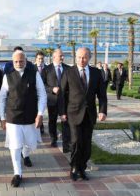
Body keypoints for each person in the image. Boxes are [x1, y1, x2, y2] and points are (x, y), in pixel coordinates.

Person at [0, 50, 47, 187]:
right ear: (12, 62)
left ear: (26, 61)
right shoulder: (7, 76)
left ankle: (26, 155)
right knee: (15, 146)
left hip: (30, 116)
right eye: (16, 61)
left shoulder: (34, 74)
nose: (19, 63)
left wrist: (40, 114)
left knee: (29, 143)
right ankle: (17, 173)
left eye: (21, 61)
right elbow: (2, 98)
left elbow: (42, 94)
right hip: (13, 116)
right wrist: (2, 117)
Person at [59, 47, 107, 181]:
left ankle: (82, 168)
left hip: (89, 114)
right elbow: (62, 94)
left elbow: (102, 95)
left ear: (89, 58)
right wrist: (62, 112)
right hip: (73, 113)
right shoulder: (69, 72)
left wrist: (103, 110)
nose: (81, 60)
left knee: (86, 143)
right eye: (79, 57)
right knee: (75, 142)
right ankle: (74, 167)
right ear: (76, 58)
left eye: (84, 57)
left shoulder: (96, 73)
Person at [42, 49, 71, 153]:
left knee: (66, 122)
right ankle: (53, 139)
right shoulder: (46, 69)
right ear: (54, 57)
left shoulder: (68, 69)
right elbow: (42, 85)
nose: (62, 57)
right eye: (60, 56)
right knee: (52, 121)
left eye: (63, 56)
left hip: (66, 100)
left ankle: (66, 144)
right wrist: (51, 89)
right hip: (53, 100)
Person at [34, 51, 47, 134]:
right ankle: (38, 125)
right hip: (34, 94)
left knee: (42, 110)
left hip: (45, 93)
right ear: (36, 59)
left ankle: (41, 127)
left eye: (42, 59)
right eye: (39, 59)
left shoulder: (47, 68)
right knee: (36, 110)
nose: (41, 60)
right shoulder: (32, 68)